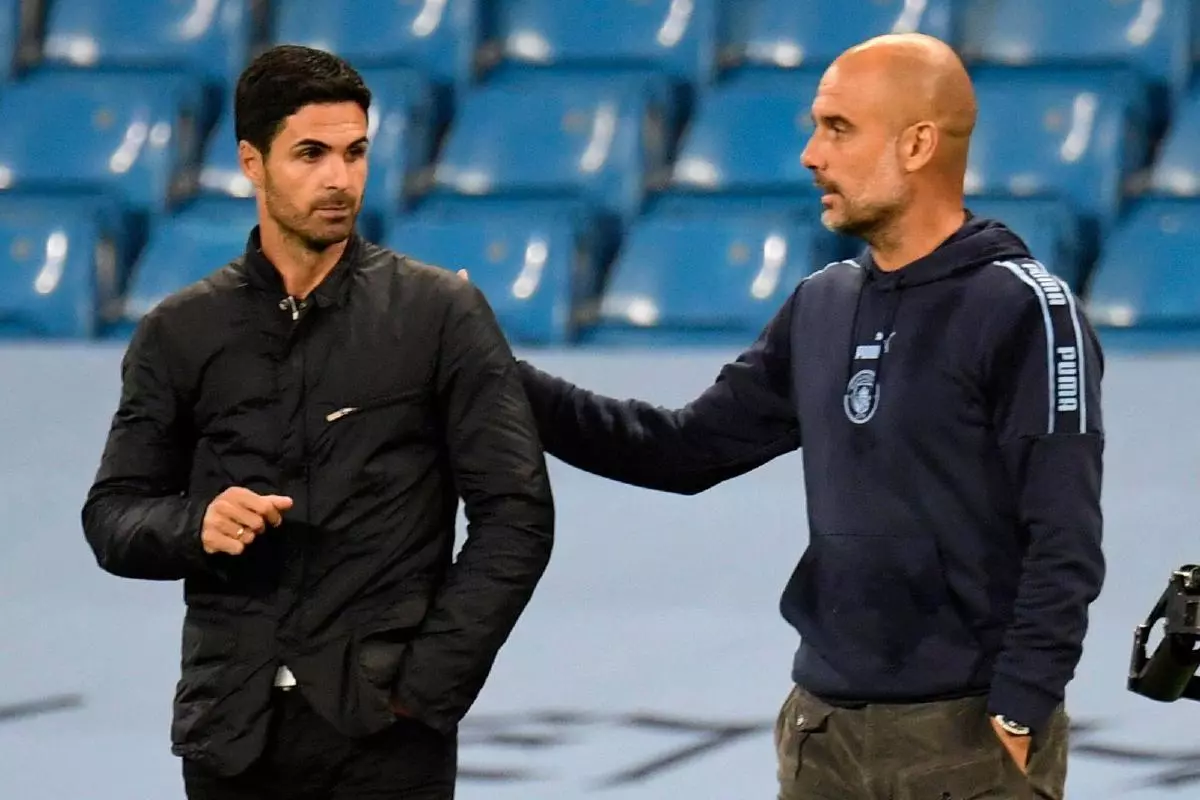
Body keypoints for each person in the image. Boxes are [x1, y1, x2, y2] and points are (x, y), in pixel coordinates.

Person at [511, 33, 1104, 800]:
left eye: (837, 128)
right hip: (822, 734)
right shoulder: (823, 302)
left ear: (918, 143)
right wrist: (504, 378)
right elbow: (683, 450)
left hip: (966, 738)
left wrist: (1022, 707)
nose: (810, 156)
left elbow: (1065, 535)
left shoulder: (1024, 308)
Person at [81, 44, 555, 800]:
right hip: (230, 734)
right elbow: (112, 516)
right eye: (311, 153)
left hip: (386, 735)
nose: (340, 178)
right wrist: (193, 524)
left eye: (355, 152)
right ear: (251, 160)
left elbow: (516, 515)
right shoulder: (179, 332)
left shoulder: (441, 315)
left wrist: (427, 689)